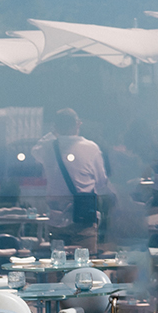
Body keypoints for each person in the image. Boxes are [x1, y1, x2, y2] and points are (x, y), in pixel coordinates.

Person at [34, 108, 114, 253]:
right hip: (83, 218)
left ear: (56, 127)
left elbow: (35, 149)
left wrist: (53, 132)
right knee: (85, 267)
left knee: (58, 266)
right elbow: (102, 182)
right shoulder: (91, 148)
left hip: (56, 219)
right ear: (78, 124)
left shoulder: (46, 147)